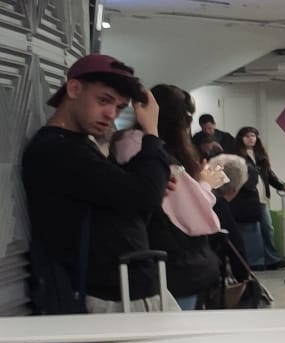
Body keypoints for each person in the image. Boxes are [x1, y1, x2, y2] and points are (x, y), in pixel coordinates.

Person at [22, 55, 174, 314]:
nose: (111, 114)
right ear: (73, 89)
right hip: (109, 296)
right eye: (103, 100)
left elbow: (133, 204)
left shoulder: (78, 145)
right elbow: (143, 196)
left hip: (129, 287)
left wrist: (148, 182)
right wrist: (151, 132)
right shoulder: (56, 149)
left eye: (119, 107)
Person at [141, 85, 225, 310]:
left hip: (155, 260)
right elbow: (198, 217)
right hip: (176, 262)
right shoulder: (164, 160)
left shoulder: (125, 145)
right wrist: (206, 183)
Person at [231, 126, 285, 270]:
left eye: (253, 136)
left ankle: (271, 259)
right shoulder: (236, 155)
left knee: (267, 228)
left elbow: (268, 173)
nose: (251, 138)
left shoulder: (260, 155)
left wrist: (280, 186)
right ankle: (255, 261)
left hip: (262, 197)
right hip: (247, 198)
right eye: (247, 136)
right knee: (252, 230)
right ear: (241, 138)